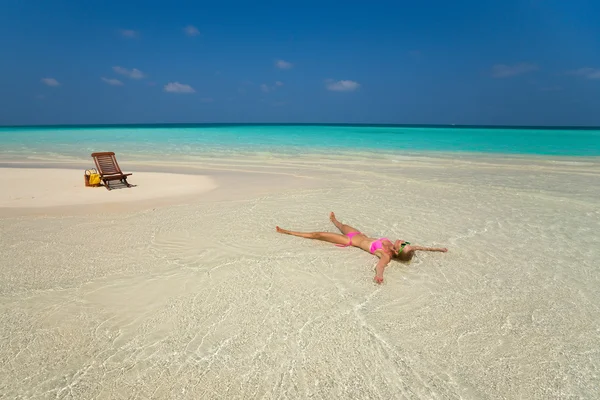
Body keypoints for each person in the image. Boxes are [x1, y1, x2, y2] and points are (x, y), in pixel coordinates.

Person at [276, 212, 448, 284]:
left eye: (403, 244)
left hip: (349, 241)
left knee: (318, 235)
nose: (403, 241)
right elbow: (417, 247)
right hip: (359, 234)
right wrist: (437, 249)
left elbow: (380, 266)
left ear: (396, 251)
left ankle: (288, 232)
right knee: (342, 224)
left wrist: (379, 276)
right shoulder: (401, 249)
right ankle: (334, 220)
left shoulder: (386, 255)